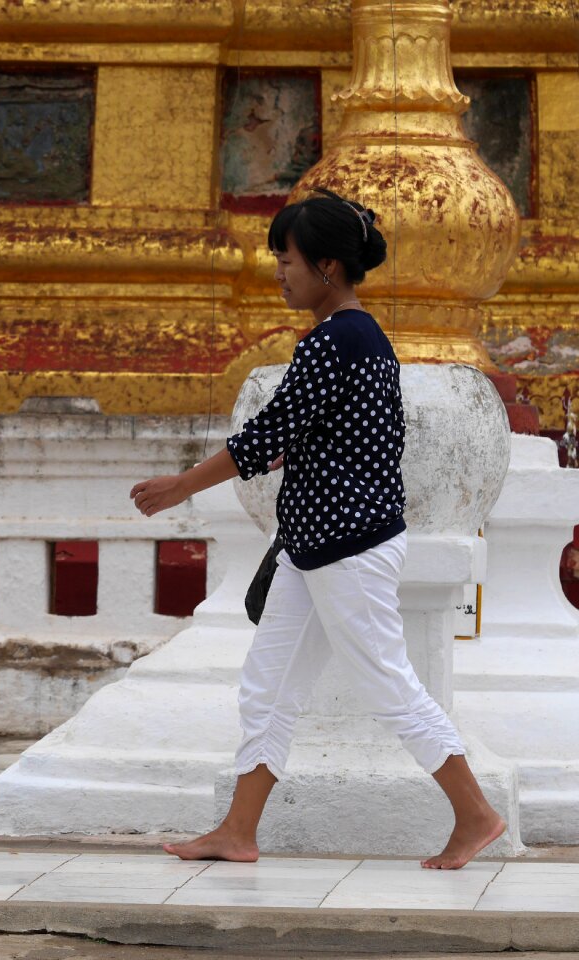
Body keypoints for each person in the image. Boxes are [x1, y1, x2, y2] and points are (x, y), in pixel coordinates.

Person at [129, 188, 506, 870]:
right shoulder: (350, 338)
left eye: (288, 259)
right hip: (316, 547)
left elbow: (265, 435)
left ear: (328, 267)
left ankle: (475, 814)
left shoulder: (340, 338)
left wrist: (180, 485)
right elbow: (294, 439)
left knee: (388, 682)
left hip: (349, 548)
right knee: (268, 685)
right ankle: (238, 832)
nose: (279, 272)